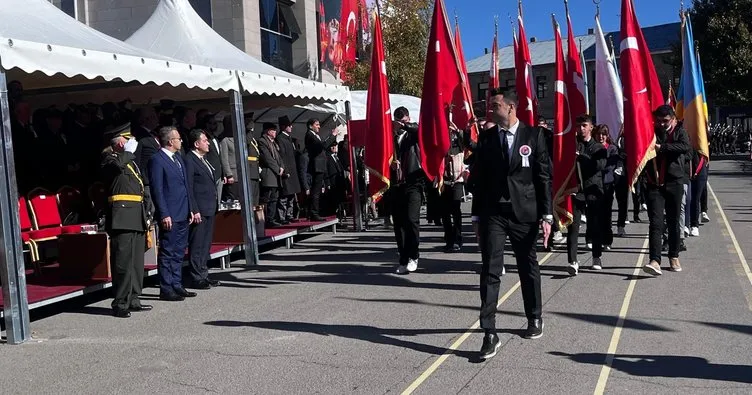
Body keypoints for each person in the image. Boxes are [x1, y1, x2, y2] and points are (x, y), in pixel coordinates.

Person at [469, 89, 552, 359]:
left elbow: (543, 177)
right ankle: (489, 332)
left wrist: (547, 215)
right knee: (490, 270)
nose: (490, 109)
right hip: (494, 212)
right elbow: (479, 179)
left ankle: (534, 316)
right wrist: (476, 215)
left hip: (524, 213)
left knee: (528, 267)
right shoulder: (488, 137)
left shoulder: (533, 135)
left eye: (495, 105)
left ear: (511, 107)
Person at [101, 123, 152, 318]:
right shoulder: (109, 159)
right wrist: (128, 153)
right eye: (127, 139)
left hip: (136, 215)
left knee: (137, 262)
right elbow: (114, 169)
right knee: (122, 262)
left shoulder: (130, 162)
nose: (132, 143)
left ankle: (134, 298)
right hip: (121, 217)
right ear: (119, 143)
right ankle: (120, 302)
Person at [149, 126, 197, 301]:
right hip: (170, 213)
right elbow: (157, 189)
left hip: (183, 212)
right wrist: (164, 213)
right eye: (178, 139)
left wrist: (191, 208)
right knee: (168, 251)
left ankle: (177, 284)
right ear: (170, 141)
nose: (181, 141)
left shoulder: (178, 158)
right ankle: (166, 287)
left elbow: (186, 186)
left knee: (178, 251)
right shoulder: (157, 160)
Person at [643, 105, 691, 276]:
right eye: (659, 121)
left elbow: (685, 148)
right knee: (655, 223)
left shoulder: (680, 132)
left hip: (674, 182)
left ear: (672, 119)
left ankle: (673, 255)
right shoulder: (651, 132)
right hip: (654, 183)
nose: (662, 124)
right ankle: (654, 260)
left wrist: (662, 148)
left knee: (673, 222)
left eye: (665, 121)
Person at [565, 115, 606, 276]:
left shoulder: (598, 147)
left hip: (593, 191)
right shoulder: (572, 145)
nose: (581, 129)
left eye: (584, 125)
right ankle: (572, 261)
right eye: (578, 126)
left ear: (591, 127)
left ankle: (596, 257)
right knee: (573, 227)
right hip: (575, 192)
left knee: (594, 226)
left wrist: (581, 158)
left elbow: (599, 165)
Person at [184, 129, 221, 289]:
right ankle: (196, 276)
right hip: (200, 208)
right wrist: (194, 208)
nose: (208, 143)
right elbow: (189, 187)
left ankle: (203, 273)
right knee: (197, 244)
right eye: (205, 140)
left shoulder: (204, 159)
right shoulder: (190, 160)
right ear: (196, 143)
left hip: (209, 207)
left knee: (206, 243)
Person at [389, 107, 425, 275]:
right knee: (399, 225)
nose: (400, 123)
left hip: (413, 182)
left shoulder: (414, 133)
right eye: (397, 120)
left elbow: (417, 129)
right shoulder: (390, 138)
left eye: (402, 119)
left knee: (412, 220)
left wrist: (405, 125)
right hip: (396, 185)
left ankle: (414, 256)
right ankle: (403, 259)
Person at [305, 118, 339, 221]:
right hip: (316, 166)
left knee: (318, 190)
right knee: (316, 190)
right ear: (311, 126)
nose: (319, 127)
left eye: (319, 124)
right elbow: (322, 146)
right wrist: (332, 136)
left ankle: (316, 211)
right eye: (316, 125)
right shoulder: (310, 135)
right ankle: (314, 212)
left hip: (320, 166)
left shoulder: (316, 135)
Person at [441, 123, 466, 252]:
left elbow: (467, 144)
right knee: (445, 212)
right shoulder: (441, 137)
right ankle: (449, 239)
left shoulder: (458, 137)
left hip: (457, 179)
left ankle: (458, 238)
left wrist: (457, 130)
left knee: (456, 209)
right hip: (443, 180)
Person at [276, 116, 302, 223]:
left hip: (293, 169)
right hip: (287, 170)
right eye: (288, 125)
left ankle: (290, 214)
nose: (291, 127)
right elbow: (281, 155)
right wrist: (285, 170)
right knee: (284, 195)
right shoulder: (281, 138)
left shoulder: (289, 138)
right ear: (283, 126)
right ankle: (282, 217)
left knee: (292, 194)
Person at [258, 122, 284, 228]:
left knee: (274, 197)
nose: (275, 132)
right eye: (273, 131)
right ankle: (267, 219)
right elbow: (267, 158)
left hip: (275, 174)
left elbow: (278, 156)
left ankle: (272, 218)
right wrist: (277, 169)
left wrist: (282, 166)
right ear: (268, 131)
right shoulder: (262, 141)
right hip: (268, 173)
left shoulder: (273, 142)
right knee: (267, 197)